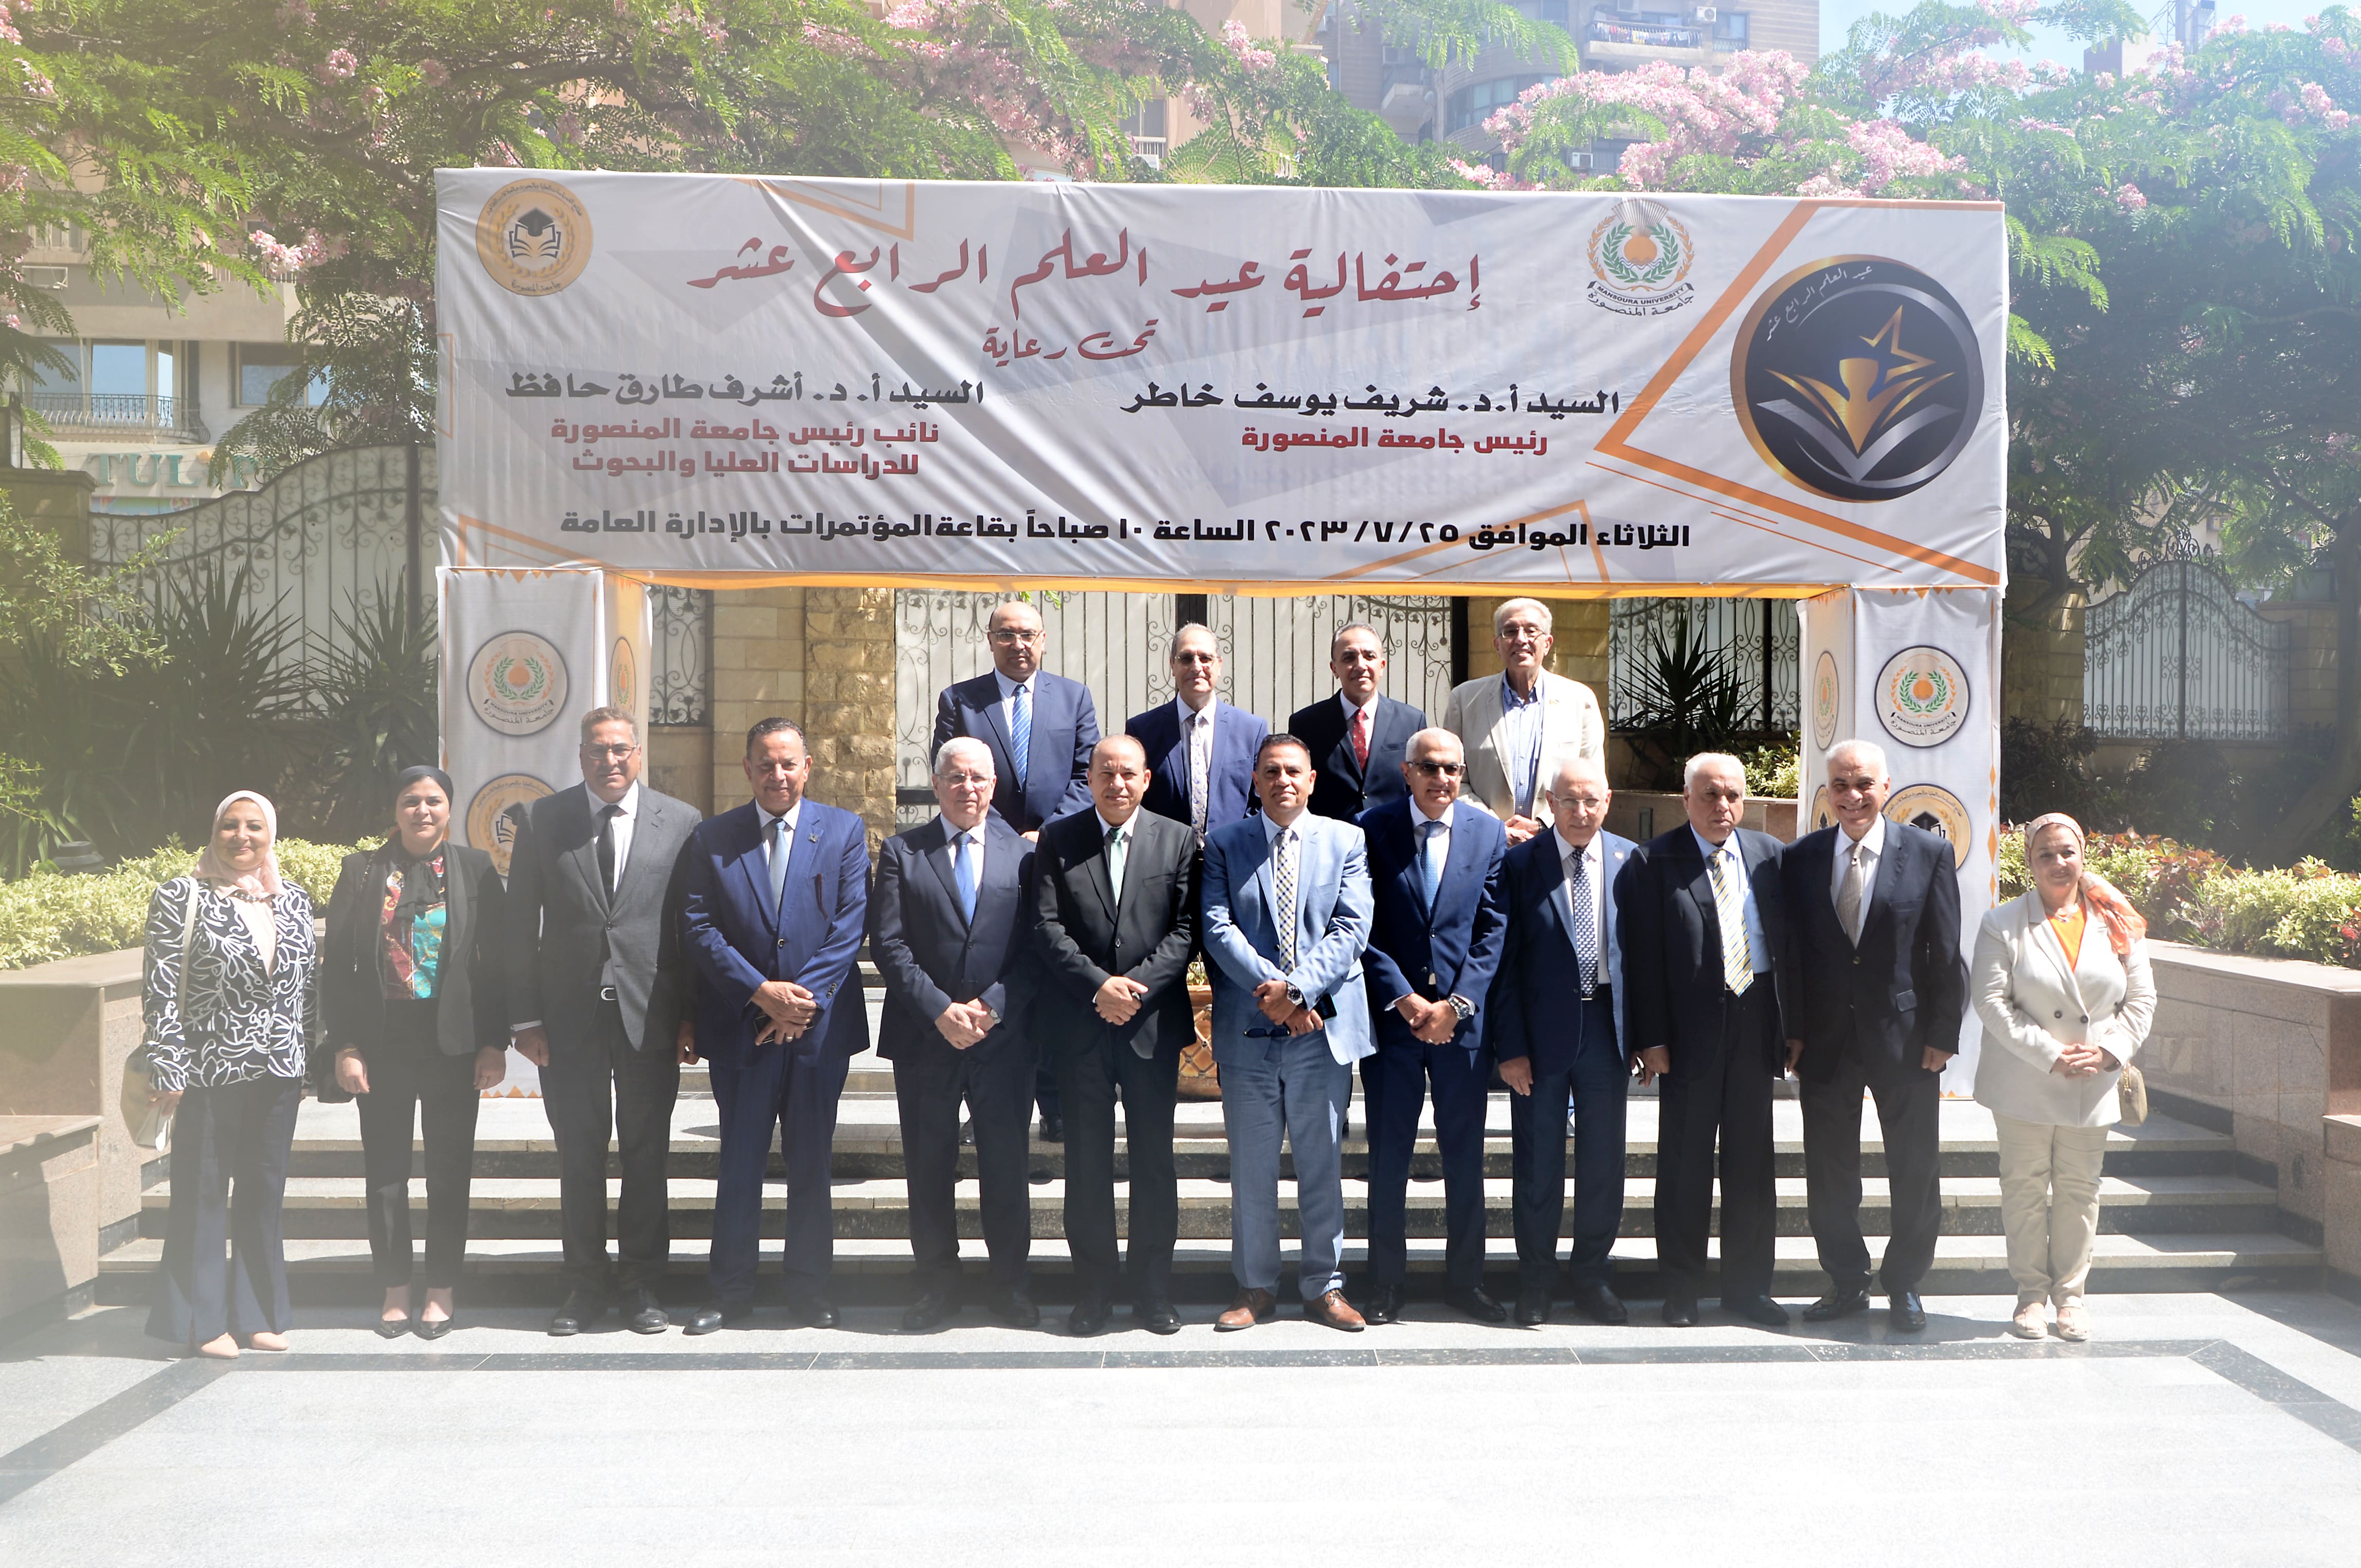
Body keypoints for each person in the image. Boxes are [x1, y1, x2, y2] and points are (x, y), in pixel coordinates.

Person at [505, 706, 703, 1337]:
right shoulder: (543, 819)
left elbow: (693, 927)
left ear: (639, 754)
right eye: (597, 751)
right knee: (579, 1155)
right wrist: (524, 1019)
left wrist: (692, 1017)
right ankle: (585, 1284)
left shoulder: (682, 822)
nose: (609, 761)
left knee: (647, 1154)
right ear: (581, 757)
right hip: (568, 1020)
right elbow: (518, 926)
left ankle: (642, 1283)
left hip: (652, 1016)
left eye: (620, 749)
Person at [679, 718, 871, 1333]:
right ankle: (729, 1292)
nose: (778, 775)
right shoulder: (713, 837)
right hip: (742, 1028)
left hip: (818, 1032)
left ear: (808, 767)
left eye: (789, 763)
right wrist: (761, 993)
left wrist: (799, 1003)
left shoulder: (843, 831)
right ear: (748, 769)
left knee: (811, 1164)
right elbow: (699, 927)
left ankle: (809, 1291)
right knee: (740, 1164)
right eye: (765, 764)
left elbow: (850, 925)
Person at [1779, 739, 1966, 1335]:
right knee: (1829, 1171)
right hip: (1826, 1041)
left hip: (1906, 1039)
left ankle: (1905, 1283)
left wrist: (1943, 1032)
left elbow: (1945, 951)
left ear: (1886, 787)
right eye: (1840, 785)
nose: (1852, 796)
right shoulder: (1802, 858)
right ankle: (1846, 1280)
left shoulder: (1929, 853)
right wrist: (1793, 1031)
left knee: (1914, 1168)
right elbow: (1793, 955)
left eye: (1864, 784)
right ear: (1827, 791)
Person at [322, 767, 510, 1340]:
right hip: (382, 1045)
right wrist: (345, 1046)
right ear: (395, 809)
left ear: (449, 809)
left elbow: (498, 963)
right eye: (410, 801)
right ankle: (395, 1288)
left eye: (433, 801)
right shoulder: (361, 871)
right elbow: (338, 967)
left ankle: (442, 1288)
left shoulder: (475, 868)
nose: (422, 811)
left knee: (449, 1172)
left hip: (453, 1045)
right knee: (386, 1173)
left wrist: (494, 1042)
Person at [1202, 734, 1375, 1333]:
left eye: (1293, 771)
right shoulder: (1225, 843)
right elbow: (1217, 927)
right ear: (1255, 781)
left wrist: (1297, 993)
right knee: (1252, 1169)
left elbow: (1351, 929)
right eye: (1271, 771)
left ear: (1311, 780)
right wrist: (1276, 995)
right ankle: (1255, 1286)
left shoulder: (1347, 841)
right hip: (1248, 1032)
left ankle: (1324, 1286)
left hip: (1320, 1033)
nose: (1283, 781)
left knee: (1321, 1164)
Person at [870, 738, 1041, 1331]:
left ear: (994, 786)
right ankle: (937, 1286)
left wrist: (992, 1008)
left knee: (1006, 1166)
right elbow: (888, 943)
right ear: (937, 783)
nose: (968, 787)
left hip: (1004, 1041)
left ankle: (1010, 1285)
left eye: (979, 778)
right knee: (929, 1166)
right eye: (957, 777)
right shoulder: (902, 852)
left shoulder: (1024, 856)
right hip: (925, 1039)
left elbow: (1037, 947)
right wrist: (940, 1011)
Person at [1030, 735, 1199, 1336]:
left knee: (1154, 1162)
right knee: (1086, 1164)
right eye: (1106, 773)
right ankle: (1095, 1292)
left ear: (1146, 779)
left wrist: (1135, 990)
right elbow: (1045, 925)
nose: (1117, 784)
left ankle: (1153, 1292)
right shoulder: (1059, 839)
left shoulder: (1178, 839)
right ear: (1090, 778)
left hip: (1150, 1026)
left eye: (1128, 773)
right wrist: (1098, 986)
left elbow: (1186, 930)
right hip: (1081, 1026)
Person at [139, 792, 317, 1358]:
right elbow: (160, 987)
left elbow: (304, 988)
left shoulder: (292, 899)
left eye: (255, 826)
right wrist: (168, 1062)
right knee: (203, 1193)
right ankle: (200, 1320)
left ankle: (258, 1314)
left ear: (271, 834)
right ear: (215, 832)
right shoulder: (182, 895)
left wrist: (307, 1061)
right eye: (231, 826)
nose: (243, 836)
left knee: (264, 1193)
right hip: (205, 1071)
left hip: (277, 1070)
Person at [1618, 752, 1790, 1328]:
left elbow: (1791, 946)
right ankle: (1682, 1288)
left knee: (1752, 1163)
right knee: (1684, 1163)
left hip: (1755, 1021)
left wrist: (1792, 1029)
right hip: (1687, 1030)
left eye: (1733, 795)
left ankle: (1748, 1289)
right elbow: (1641, 959)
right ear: (1686, 797)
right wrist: (1651, 1038)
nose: (1723, 806)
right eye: (1710, 794)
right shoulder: (1652, 860)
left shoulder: (1770, 855)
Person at [1972, 813, 2155, 1343]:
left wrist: (2109, 1051)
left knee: (2080, 1190)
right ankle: (2031, 1296)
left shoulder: (2117, 920)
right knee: (2024, 1189)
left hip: (2092, 1081)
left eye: (2067, 852)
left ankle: (2071, 1297)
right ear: (2029, 862)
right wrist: (2050, 1053)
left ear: (2082, 856)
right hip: (2025, 1079)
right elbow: (1990, 1001)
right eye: (2045, 854)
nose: (2058, 863)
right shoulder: (2002, 923)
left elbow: (2141, 999)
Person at [1355, 727, 1508, 1324]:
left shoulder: (1487, 832)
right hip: (1395, 1026)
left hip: (1460, 1030)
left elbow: (1493, 927)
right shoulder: (1371, 829)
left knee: (1464, 1157)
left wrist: (1458, 1005)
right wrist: (1404, 998)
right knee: (1389, 1158)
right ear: (1407, 771)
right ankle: (1385, 1283)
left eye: (1452, 769)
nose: (1442, 779)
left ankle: (1467, 1281)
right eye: (1430, 767)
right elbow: (1360, 925)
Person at [931, 597, 1097, 1141]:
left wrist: (1045, 834)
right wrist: (1006, 837)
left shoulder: (1074, 697)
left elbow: (1086, 773)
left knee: (1049, 976)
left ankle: (1053, 1105)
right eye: (1006, 634)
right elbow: (954, 774)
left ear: (1043, 640)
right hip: (986, 855)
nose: (1018, 644)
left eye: (1028, 634)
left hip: (1058, 857)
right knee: (990, 971)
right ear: (990, 641)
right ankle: (981, 1107)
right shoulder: (960, 700)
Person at [1492, 753, 1636, 1326]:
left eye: (1591, 800)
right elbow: (1502, 965)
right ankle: (1536, 1280)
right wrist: (1510, 1048)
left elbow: (1644, 959)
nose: (1580, 811)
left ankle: (1593, 1276)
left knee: (1603, 1160)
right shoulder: (1519, 864)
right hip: (1539, 1034)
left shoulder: (1631, 861)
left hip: (1606, 1029)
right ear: (1550, 803)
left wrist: (1646, 1037)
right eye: (1569, 800)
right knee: (1538, 1161)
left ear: (1608, 801)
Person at [1439, 598, 1606, 845]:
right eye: (1510, 631)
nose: (1520, 639)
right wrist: (1495, 829)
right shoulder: (1465, 700)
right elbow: (1452, 778)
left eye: (1531, 631)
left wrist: (1543, 824)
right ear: (1497, 645)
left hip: (1555, 843)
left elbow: (1594, 780)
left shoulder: (1580, 700)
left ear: (1547, 643)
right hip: (1484, 845)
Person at [1127, 622, 1267, 844]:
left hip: (1233, 855)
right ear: (1172, 666)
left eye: (1205, 658)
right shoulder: (1142, 730)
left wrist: (1238, 845)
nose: (1196, 666)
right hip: (1165, 856)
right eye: (1186, 658)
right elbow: (1135, 800)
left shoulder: (1252, 730)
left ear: (1219, 665)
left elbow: (1261, 800)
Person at [1287, 622, 1425, 822]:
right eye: (1349, 658)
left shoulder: (1412, 721)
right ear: (1335, 668)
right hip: (1330, 837)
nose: (1361, 665)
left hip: (1393, 836)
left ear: (1382, 666)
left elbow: (1420, 785)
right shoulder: (1305, 724)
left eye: (1369, 656)